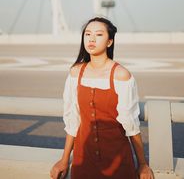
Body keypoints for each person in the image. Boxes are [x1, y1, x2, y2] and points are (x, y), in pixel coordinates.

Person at [50, 17, 154, 179]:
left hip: (118, 160)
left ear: (109, 42)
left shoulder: (121, 75)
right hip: (82, 160)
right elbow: (73, 121)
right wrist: (64, 160)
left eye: (98, 35)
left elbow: (131, 124)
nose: (91, 39)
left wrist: (142, 164)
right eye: (87, 34)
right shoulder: (75, 73)